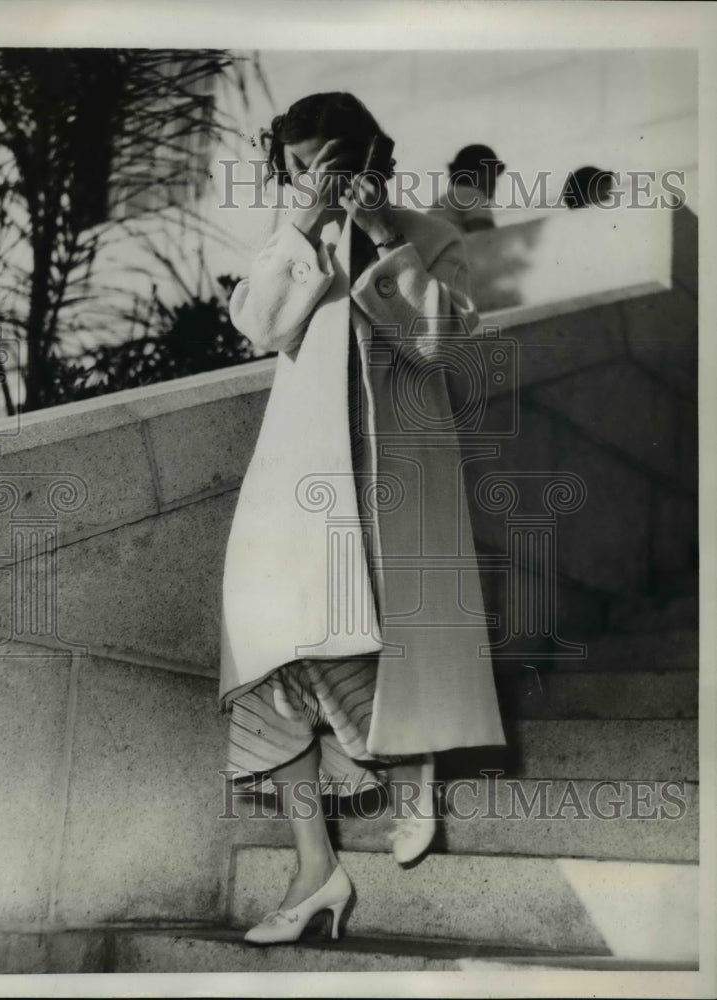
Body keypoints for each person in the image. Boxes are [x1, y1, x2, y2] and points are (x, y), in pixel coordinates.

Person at [219, 92, 506, 945]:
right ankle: (317, 868)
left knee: (385, 628)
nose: (314, 180)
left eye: (331, 162)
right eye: (297, 167)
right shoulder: (288, 238)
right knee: (267, 651)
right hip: (296, 482)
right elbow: (260, 325)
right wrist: (305, 229)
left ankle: (412, 772)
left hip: (395, 481)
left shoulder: (428, 234)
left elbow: (442, 343)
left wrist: (384, 238)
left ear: (374, 153)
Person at [432, 143, 506, 233]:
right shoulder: (473, 195)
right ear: (472, 174)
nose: (494, 181)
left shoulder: (446, 199)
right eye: (490, 174)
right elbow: (485, 237)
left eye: (495, 175)